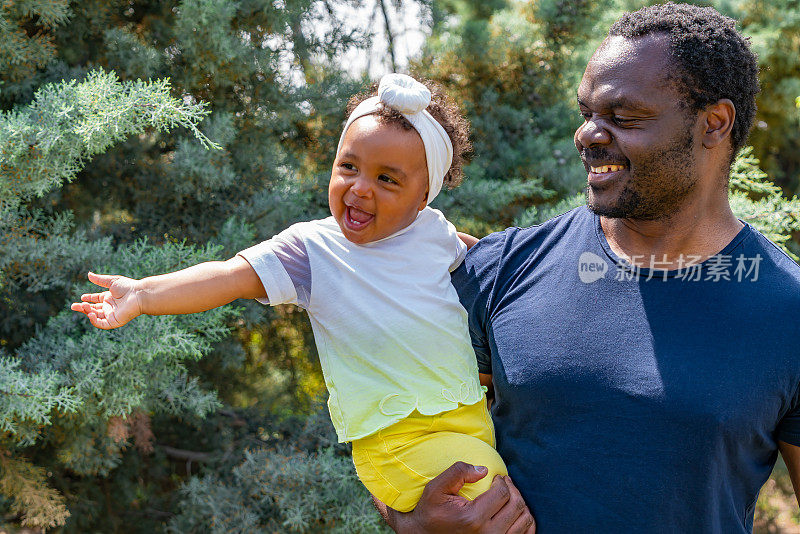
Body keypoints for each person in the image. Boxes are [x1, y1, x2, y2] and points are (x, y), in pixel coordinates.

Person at [377, 3, 800, 533]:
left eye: (623, 118)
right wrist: (411, 519)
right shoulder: (503, 269)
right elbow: (396, 427)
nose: (588, 135)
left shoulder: (788, 312)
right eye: (587, 114)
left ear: (713, 124)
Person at [71, 73, 535, 524]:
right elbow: (227, 276)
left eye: (387, 179)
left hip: (469, 422)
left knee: (525, 495)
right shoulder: (313, 251)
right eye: (348, 166)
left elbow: (486, 262)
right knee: (498, 508)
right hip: (398, 441)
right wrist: (142, 293)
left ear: (423, 196)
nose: (359, 187)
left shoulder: (434, 234)